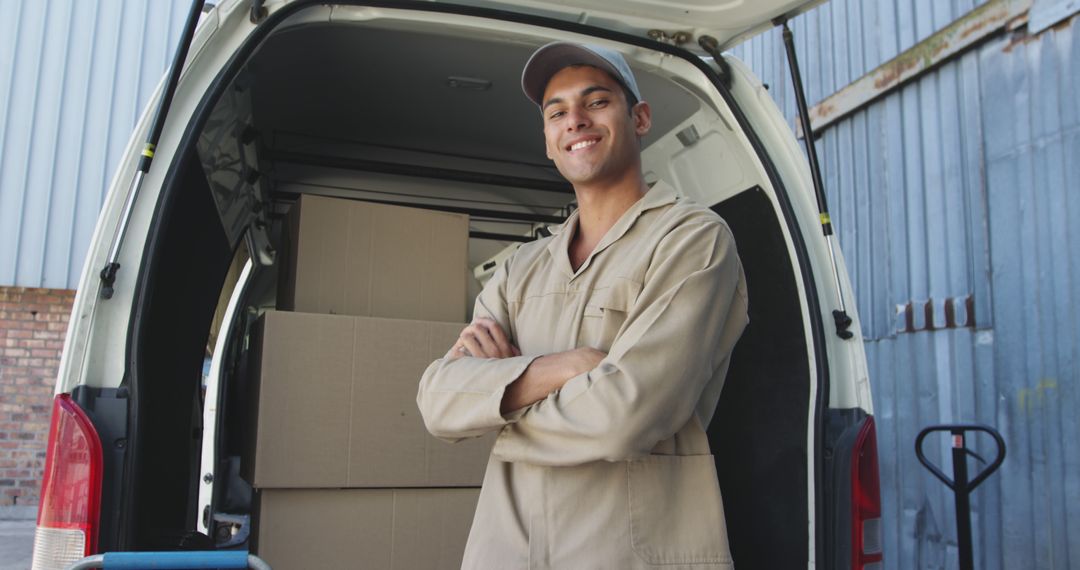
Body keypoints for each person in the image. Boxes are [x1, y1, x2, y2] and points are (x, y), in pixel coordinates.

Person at [417, 41, 748, 569]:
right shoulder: (519, 268)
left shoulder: (690, 239)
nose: (575, 120)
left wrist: (496, 403)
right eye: (557, 112)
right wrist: (566, 367)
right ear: (548, 140)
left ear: (639, 118)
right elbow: (437, 401)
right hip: (507, 554)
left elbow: (627, 414)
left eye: (596, 102)